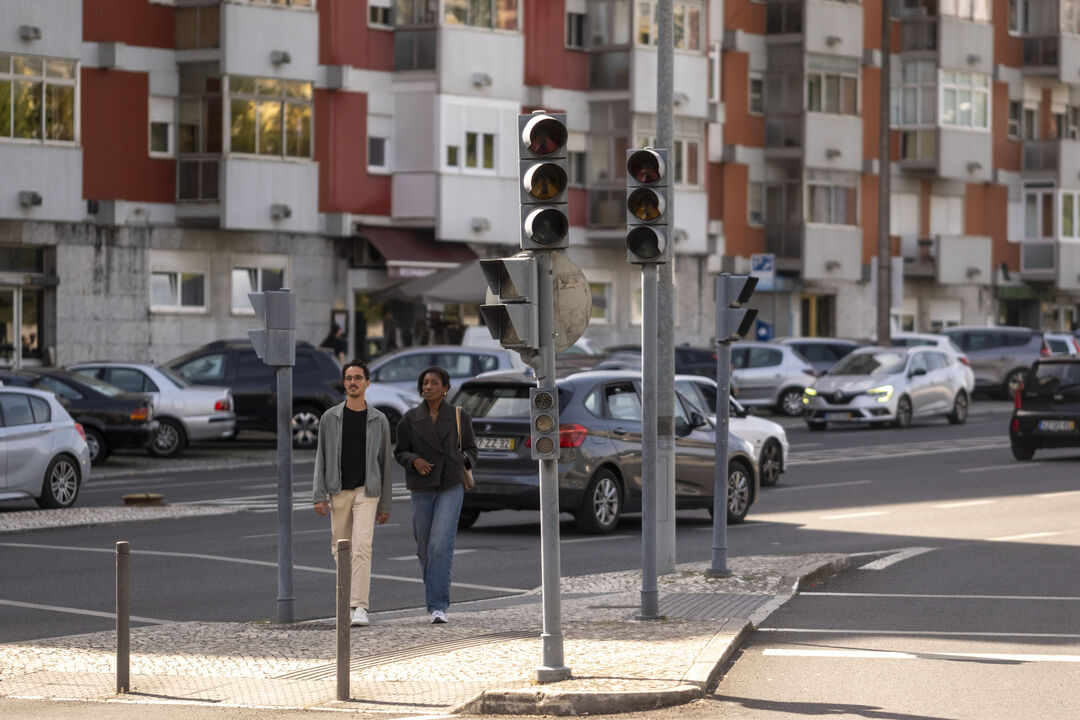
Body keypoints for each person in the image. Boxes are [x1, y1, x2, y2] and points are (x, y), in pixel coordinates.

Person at [312, 360, 393, 627]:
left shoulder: (379, 420)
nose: (353, 382)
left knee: (361, 547)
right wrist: (318, 494)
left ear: (367, 383)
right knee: (340, 549)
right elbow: (320, 458)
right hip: (338, 490)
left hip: (366, 491)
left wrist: (385, 503)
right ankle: (346, 602)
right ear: (344, 383)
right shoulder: (330, 418)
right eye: (348, 378)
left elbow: (385, 465)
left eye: (358, 378)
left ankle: (359, 606)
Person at [394, 366, 477, 624]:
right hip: (421, 486)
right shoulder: (409, 419)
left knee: (440, 545)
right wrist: (414, 460)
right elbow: (400, 452)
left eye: (433, 383)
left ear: (445, 388)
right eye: (424, 383)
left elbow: (472, 449)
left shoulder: (459, 416)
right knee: (424, 549)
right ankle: (435, 597)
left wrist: (462, 459)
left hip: (450, 484)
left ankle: (438, 606)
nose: (427, 387)